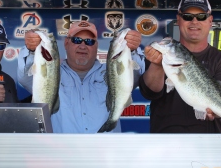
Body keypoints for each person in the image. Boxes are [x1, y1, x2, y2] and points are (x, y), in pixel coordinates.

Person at [17, 21, 145, 133]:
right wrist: (31, 50)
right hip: (62, 153)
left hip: (105, 153)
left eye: (89, 41)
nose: (83, 46)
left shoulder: (110, 71)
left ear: (96, 47)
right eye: (76, 40)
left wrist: (132, 50)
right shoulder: (51, 71)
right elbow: (24, 77)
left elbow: (137, 75)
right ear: (66, 43)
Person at [139, 0, 221, 133]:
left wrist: (216, 111)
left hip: (208, 144)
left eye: (201, 16)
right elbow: (150, 93)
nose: (194, 21)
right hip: (164, 144)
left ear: (210, 21)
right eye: (187, 16)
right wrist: (157, 66)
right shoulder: (160, 56)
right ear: (178, 20)